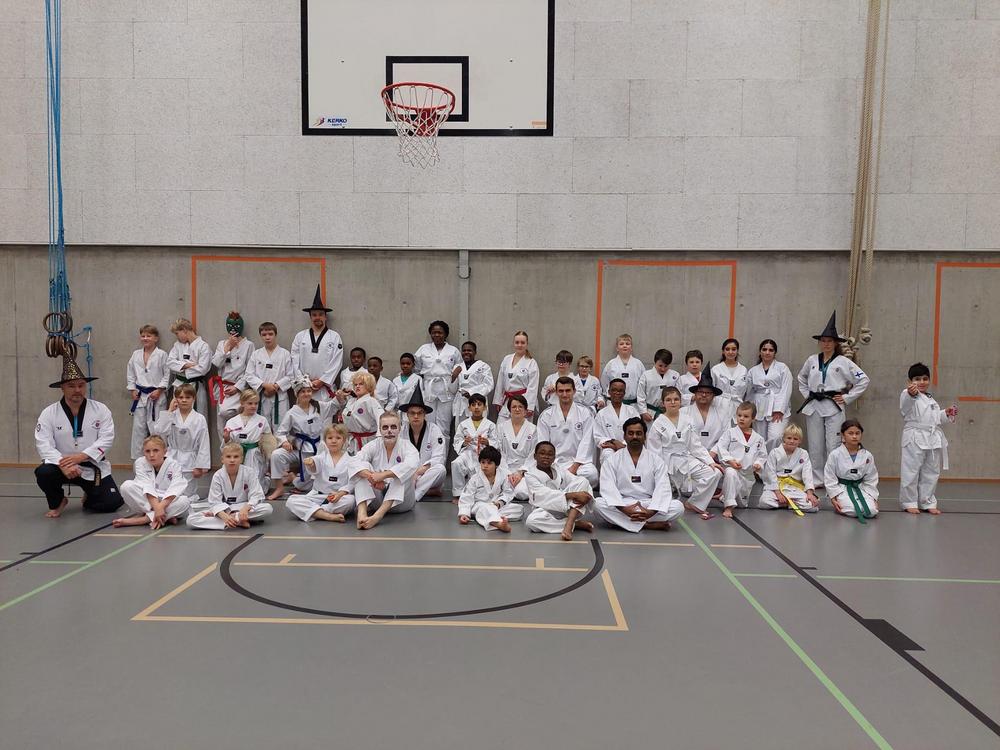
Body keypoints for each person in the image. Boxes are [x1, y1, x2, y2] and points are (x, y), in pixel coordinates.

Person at [35, 356, 122, 518]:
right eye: (71, 386)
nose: (77, 390)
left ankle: (89, 496)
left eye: (81, 385)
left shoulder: (101, 410)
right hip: (61, 467)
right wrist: (63, 463)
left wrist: (81, 456)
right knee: (44, 472)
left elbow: (106, 439)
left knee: (112, 503)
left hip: (91, 465)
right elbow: (43, 444)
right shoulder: (49, 413)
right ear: (62, 388)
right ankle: (58, 501)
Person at [797, 311, 870, 472]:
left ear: (836, 343)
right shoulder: (812, 360)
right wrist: (808, 394)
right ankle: (817, 476)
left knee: (833, 444)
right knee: (815, 444)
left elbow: (863, 380)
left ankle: (834, 475)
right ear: (819, 343)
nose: (826, 344)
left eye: (830, 341)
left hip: (833, 405)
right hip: (814, 405)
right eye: (823, 341)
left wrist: (847, 397)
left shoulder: (843, 362)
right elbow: (801, 378)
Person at [594, 417, 684, 532]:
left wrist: (651, 512)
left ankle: (621, 523)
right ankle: (647, 525)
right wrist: (625, 509)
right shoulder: (613, 460)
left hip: (649, 504)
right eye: (631, 433)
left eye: (638, 433)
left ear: (645, 436)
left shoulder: (656, 460)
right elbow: (608, 488)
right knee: (597, 504)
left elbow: (663, 487)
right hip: (623, 503)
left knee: (678, 507)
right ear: (624, 436)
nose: (635, 437)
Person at [646, 386, 723, 519]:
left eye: (676, 399)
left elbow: (695, 445)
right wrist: (659, 471)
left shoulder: (687, 419)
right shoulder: (658, 424)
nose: (673, 402)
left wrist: (710, 462)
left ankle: (695, 503)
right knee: (665, 496)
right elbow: (654, 452)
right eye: (668, 400)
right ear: (663, 403)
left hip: (686, 458)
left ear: (680, 401)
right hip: (667, 462)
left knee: (715, 472)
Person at [899, 362, 956, 515]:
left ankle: (927, 501)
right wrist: (911, 394)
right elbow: (905, 406)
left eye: (925, 378)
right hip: (914, 437)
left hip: (932, 438)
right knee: (911, 471)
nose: (922, 382)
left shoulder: (930, 398)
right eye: (917, 379)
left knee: (931, 472)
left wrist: (946, 413)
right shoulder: (907, 394)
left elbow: (934, 419)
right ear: (910, 381)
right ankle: (909, 502)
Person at [268, 378, 335, 499]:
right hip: (299, 448)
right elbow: (280, 432)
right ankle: (279, 488)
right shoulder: (291, 413)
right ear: (297, 394)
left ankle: (293, 478)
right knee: (276, 455)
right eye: (303, 391)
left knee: (307, 485)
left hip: (318, 448)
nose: (306, 394)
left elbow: (334, 406)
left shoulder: (318, 406)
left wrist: (340, 396)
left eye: (309, 391)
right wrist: (285, 442)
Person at [354, 412, 421, 529]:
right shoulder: (374, 445)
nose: (389, 431)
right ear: (380, 430)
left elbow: (412, 464)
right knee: (362, 466)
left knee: (401, 474)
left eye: (393, 427)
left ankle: (377, 516)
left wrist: (384, 475)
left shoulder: (407, 446)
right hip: (377, 499)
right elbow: (354, 461)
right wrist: (372, 477)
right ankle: (362, 514)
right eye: (385, 427)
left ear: (400, 429)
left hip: (402, 504)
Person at [187, 442, 273, 530]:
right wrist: (224, 515)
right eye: (228, 456)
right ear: (222, 459)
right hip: (225, 508)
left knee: (267, 508)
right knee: (191, 520)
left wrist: (245, 509)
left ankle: (231, 519)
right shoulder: (218, 475)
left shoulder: (249, 472)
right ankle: (237, 520)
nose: (232, 460)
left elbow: (256, 495)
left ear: (241, 459)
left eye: (236, 457)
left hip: (243, 507)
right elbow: (214, 502)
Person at [286, 425, 360, 523]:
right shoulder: (321, 458)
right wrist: (310, 463)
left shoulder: (351, 460)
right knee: (291, 500)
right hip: (317, 496)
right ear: (325, 441)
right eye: (330, 438)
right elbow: (314, 464)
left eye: (338, 438)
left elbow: (352, 483)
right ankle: (328, 515)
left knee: (351, 501)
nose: (334, 441)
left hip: (338, 498)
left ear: (344, 441)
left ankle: (314, 511)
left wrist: (340, 494)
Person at [536, 377, 599, 488]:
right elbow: (543, 443)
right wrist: (550, 465)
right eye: (561, 391)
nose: (564, 394)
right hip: (554, 463)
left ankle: (559, 486)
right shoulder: (546, 415)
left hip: (578, 464)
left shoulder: (585, 413)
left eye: (568, 390)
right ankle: (575, 487)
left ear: (574, 391)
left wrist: (575, 466)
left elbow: (587, 442)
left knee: (592, 474)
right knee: (541, 476)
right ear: (556, 392)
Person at [115, 435, 191, 528]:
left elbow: (175, 489)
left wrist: (160, 507)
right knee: (126, 486)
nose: (151, 455)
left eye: (156, 450)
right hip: (149, 501)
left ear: (165, 451)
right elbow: (147, 486)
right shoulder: (140, 463)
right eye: (147, 451)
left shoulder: (174, 465)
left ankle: (143, 519)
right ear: (143, 452)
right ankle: (164, 517)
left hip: (166, 502)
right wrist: (157, 508)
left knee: (184, 501)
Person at [523, 441, 594, 540]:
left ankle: (569, 524)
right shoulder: (530, 474)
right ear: (535, 456)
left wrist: (582, 493)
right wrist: (573, 495)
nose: (546, 457)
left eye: (550, 454)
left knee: (583, 481)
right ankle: (575, 523)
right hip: (545, 509)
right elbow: (543, 495)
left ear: (554, 458)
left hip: (566, 508)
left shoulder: (557, 468)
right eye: (542, 453)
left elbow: (574, 480)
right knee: (532, 521)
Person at [152, 384, 211, 501]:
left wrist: (200, 466)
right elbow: (159, 430)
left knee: (188, 492)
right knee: (170, 487)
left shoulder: (199, 418)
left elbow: (204, 443)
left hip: (190, 459)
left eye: (188, 397)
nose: (184, 400)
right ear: (175, 399)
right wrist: (169, 410)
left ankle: (187, 503)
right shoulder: (171, 415)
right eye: (180, 397)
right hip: (172, 456)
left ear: (193, 399)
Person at [290, 284, 343, 403]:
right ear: (310, 317)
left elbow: (337, 362)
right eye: (314, 315)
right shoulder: (300, 336)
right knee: (304, 414)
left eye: (320, 314)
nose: (317, 317)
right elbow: (294, 361)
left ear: (325, 317)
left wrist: (322, 381)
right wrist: (304, 382)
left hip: (324, 389)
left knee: (325, 415)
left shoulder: (334, 337)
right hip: (305, 388)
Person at [714, 402, 767, 518]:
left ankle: (725, 496)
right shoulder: (730, 433)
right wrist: (730, 461)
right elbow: (721, 447)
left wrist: (758, 464)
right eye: (739, 415)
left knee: (742, 505)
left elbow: (762, 455)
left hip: (747, 475)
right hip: (732, 468)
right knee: (730, 473)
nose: (741, 418)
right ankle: (728, 507)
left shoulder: (759, 439)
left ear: (753, 419)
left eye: (746, 416)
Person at [209, 311, 255, 438]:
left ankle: (237, 447)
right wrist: (227, 348)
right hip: (223, 388)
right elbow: (216, 363)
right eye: (230, 325)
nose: (233, 329)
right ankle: (224, 448)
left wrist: (237, 387)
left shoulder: (249, 345)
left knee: (236, 421)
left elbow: (250, 370)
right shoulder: (222, 344)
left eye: (236, 326)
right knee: (221, 425)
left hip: (239, 388)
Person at [126, 324, 169, 460]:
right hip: (140, 396)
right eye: (143, 336)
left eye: (149, 336)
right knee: (138, 430)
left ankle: (161, 460)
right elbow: (130, 373)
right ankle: (138, 462)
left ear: (156, 338)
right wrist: (132, 389)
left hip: (156, 396)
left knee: (158, 429)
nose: (145, 338)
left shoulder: (162, 354)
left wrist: (160, 389)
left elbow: (167, 374)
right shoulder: (136, 354)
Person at [413, 320, 462, 437]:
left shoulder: (453, 351)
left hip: (447, 389)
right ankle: (428, 448)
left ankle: (442, 449)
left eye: (440, 332)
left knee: (444, 424)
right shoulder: (423, 349)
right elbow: (416, 369)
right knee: (427, 422)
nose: (437, 335)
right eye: (434, 332)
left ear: (445, 334)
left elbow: (460, 368)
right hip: (428, 389)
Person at [457, 446, 522, 533]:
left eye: (489, 463)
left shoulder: (503, 476)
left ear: (497, 465)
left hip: (496, 505)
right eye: (483, 462)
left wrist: (500, 503)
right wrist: (464, 513)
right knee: (485, 508)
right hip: (480, 505)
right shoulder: (475, 479)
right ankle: (499, 524)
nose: (485, 466)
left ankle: (488, 516)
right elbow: (466, 497)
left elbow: (508, 492)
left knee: (519, 509)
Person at [825, 419, 878, 522]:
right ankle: (846, 504)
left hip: (861, 488)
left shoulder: (867, 455)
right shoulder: (835, 454)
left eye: (857, 433)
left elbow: (871, 478)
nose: (854, 436)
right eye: (850, 433)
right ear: (843, 435)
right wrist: (833, 498)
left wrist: (874, 498)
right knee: (853, 510)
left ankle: (867, 504)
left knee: (871, 511)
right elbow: (829, 477)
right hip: (842, 489)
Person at [400, 385, 447, 500]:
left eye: (419, 413)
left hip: (427, 474)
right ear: (407, 415)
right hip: (408, 474)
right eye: (412, 413)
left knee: (441, 469)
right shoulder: (402, 431)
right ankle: (427, 491)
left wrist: (418, 472)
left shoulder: (434, 430)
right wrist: (411, 473)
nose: (416, 416)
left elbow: (439, 458)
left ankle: (413, 495)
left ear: (425, 414)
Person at [760, 424, 819, 513]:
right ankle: (791, 504)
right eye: (789, 438)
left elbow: (807, 474)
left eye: (795, 439)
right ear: (783, 438)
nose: (792, 441)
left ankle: (786, 503)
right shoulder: (774, 453)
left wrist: (810, 494)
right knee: (764, 502)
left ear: (800, 441)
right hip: (777, 487)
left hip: (794, 487)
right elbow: (770, 474)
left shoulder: (803, 454)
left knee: (812, 506)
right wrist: (778, 493)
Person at [245, 321, 294, 430]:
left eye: (270, 334)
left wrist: (276, 386)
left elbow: (291, 376)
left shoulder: (285, 354)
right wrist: (264, 385)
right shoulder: (256, 354)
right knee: (261, 428)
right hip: (262, 396)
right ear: (260, 336)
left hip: (280, 397)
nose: (267, 337)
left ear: (275, 334)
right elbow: (249, 375)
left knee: (281, 428)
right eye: (264, 335)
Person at [747, 339, 792, 451]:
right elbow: (749, 391)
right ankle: (761, 460)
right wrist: (750, 410)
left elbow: (786, 389)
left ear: (775, 353)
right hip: (759, 407)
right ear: (760, 352)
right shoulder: (753, 371)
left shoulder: (782, 368)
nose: (767, 352)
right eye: (764, 349)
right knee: (759, 438)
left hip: (777, 407)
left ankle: (773, 459)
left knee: (776, 436)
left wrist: (779, 409)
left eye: (771, 350)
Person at [450, 393, 498, 500]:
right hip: (468, 453)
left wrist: (488, 442)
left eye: (479, 404)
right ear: (469, 408)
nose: (476, 407)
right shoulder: (463, 424)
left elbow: (497, 442)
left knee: (479, 484)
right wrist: (464, 442)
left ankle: (474, 493)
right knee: (456, 463)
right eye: (473, 405)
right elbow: (456, 441)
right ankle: (458, 494)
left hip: (484, 455)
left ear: (484, 407)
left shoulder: (490, 425)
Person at [222, 389, 272, 486]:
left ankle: (266, 479)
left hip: (255, 455)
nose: (253, 406)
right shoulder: (232, 421)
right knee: (235, 483)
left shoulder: (262, 420)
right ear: (242, 403)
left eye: (256, 403)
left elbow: (268, 441)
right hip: (236, 454)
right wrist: (226, 438)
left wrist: (265, 447)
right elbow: (227, 445)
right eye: (250, 403)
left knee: (254, 484)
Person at [681, 369, 733, 460]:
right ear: (695, 394)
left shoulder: (722, 414)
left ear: (713, 396)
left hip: (715, 456)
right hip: (690, 457)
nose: (704, 395)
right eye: (700, 392)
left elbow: (726, 436)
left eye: (708, 393)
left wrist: (713, 452)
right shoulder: (683, 412)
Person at [166, 317, 212, 414]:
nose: (177, 337)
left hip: (196, 385)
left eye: (177, 333)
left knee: (197, 414)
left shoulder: (203, 346)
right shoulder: (178, 345)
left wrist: (180, 368)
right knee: (177, 414)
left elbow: (203, 369)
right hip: (179, 385)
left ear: (184, 330)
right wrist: (186, 365)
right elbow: (170, 362)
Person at [493, 330, 540, 421]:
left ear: (527, 344)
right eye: (517, 342)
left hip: (523, 401)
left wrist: (529, 406)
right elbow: (500, 381)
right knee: (502, 427)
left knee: (522, 428)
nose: (519, 345)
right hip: (507, 400)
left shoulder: (531, 362)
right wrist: (498, 400)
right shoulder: (507, 359)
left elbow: (533, 387)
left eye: (522, 342)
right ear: (514, 343)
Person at [498, 394, 538, 498]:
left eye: (520, 407)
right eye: (514, 407)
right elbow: (499, 453)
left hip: (524, 469)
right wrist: (507, 473)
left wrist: (520, 472)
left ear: (525, 410)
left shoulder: (533, 429)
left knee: (521, 492)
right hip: (505, 468)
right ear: (509, 410)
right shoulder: (501, 427)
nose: (517, 409)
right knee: (497, 488)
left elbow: (533, 455)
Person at [593, 379, 640, 465]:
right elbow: (598, 436)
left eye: (620, 391)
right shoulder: (601, 414)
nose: (617, 393)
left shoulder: (632, 411)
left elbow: (638, 432)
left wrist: (623, 445)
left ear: (624, 393)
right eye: (614, 390)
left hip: (629, 446)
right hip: (609, 448)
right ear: (609, 392)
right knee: (607, 455)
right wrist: (614, 443)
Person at [338, 371, 384, 454]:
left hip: (367, 441)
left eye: (361, 384)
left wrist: (380, 437)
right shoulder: (351, 401)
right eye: (355, 384)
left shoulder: (371, 401)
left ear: (368, 386)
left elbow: (381, 418)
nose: (357, 386)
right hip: (352, 440)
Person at [451, 341, 494, 424]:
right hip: (461, 402)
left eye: (469, 350)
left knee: (478, 427)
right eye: (464, 350)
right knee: (461, 427)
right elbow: (452, 389)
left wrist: (471, 393)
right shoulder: (457, 367)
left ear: (475, 352)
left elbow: (489, 385)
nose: (466, 352)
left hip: (477, 401)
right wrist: (453, 377)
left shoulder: (483, 366)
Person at [600, 334, 644, 406]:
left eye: (627, 344)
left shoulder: (638, 364)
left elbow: (643, 385)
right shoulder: (611, 364)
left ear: (631, 348)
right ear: (617, 348)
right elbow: (604, 383)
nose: (624, 346)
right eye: (621, 344)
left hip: (633, 404)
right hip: (613, 403)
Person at [637, 349, 679, 423]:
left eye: (666, 366)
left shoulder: (675, 375)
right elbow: (641, 395)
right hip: (650, 412)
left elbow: (679, 394)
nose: (663, 369)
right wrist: (643, 412)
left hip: (669, 411)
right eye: (660, 365)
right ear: (655, 362)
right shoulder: (646, 375)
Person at [710, 338, 749, 411]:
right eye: (727, 349)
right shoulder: (715, 369)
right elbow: (711, 390)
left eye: (733, 349)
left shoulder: (743, 370)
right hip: (719, 406)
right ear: (723, 351)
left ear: (737, 351)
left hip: (738, 406)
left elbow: (746, 391)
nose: (730, 352)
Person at [393, 353, 422, 419]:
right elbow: (393, 398)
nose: (405, 366)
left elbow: (421, 397)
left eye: (408, 364)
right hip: (398, 411)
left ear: (413, 365)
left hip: (412, 411)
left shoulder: (418, 379)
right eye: (403, 364)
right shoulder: (395, 380)